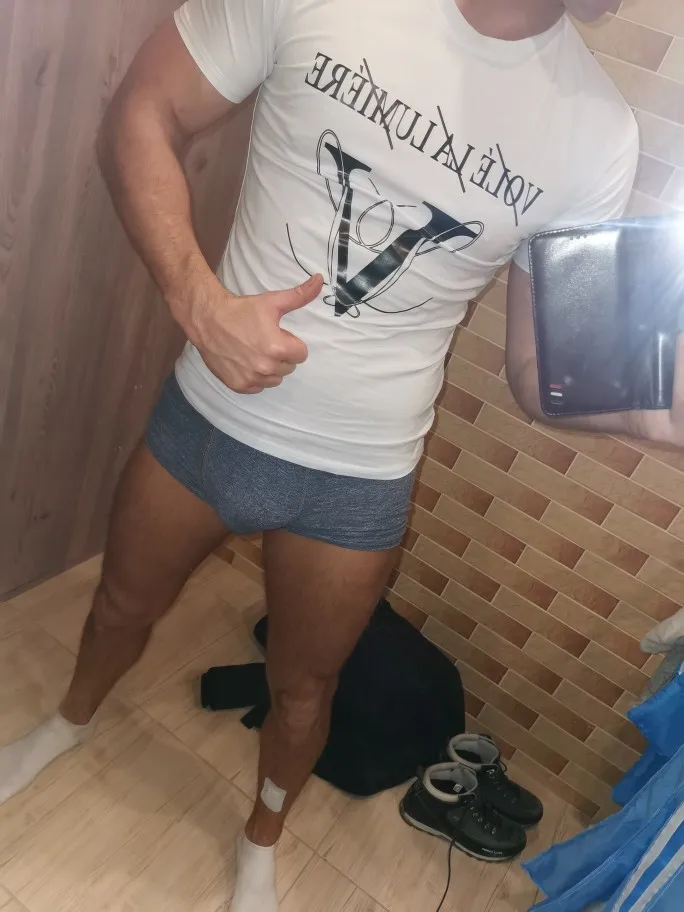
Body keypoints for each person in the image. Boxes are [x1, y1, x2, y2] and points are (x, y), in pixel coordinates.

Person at [1, 1, 682, 909]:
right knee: (119, 605)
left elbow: (539, 369)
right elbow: (142, 110)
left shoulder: (599, 136)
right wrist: (197, 299)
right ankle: (68, 720)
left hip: (360, 475)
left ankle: (260, 838)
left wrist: (648, 411)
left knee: (305, 689)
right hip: (207, 418)